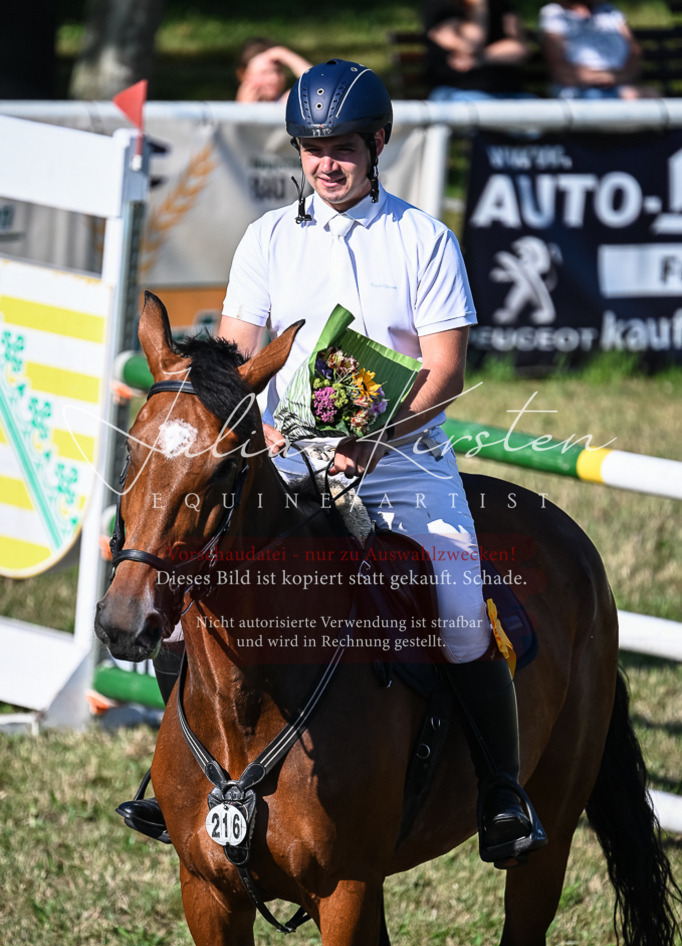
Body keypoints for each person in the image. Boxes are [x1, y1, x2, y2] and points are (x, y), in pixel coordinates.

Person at [119, 58, 546, 868]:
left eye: (342, 146)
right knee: (192, 572)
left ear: (376, 142)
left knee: (459, 609)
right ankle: (166, 778)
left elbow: (445, 370)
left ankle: (501, 793)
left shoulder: (423, 238)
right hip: (285, 457)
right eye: (312, 148)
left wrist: (372, 440)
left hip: (403, 463)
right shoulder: (268, 238)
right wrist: (259, 431)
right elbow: (237, 357)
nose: (326, 163)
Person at [539, 1, 655, 100]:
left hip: (622, 88)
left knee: (651, 95)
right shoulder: (554, 14)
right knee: (596, 96)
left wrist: (620, 79)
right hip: (579, 91)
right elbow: (561, 70)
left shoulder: (609, 11)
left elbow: (634, 52)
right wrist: (606, 78)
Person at [424, 0, 532, 101]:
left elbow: (520, 50)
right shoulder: (441, 7)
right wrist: (479, 7)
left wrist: (480, 59)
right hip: (458, 92)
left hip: (509, 93)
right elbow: (469, 45)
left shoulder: (502, 6)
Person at [235, 37, 311, 103]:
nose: (274, 78)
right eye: (265, 72)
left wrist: (286, 55)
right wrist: (244, 109)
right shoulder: (232, 110)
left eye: (278, 71)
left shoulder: (286, 102)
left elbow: (315, 84)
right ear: (244, 74)